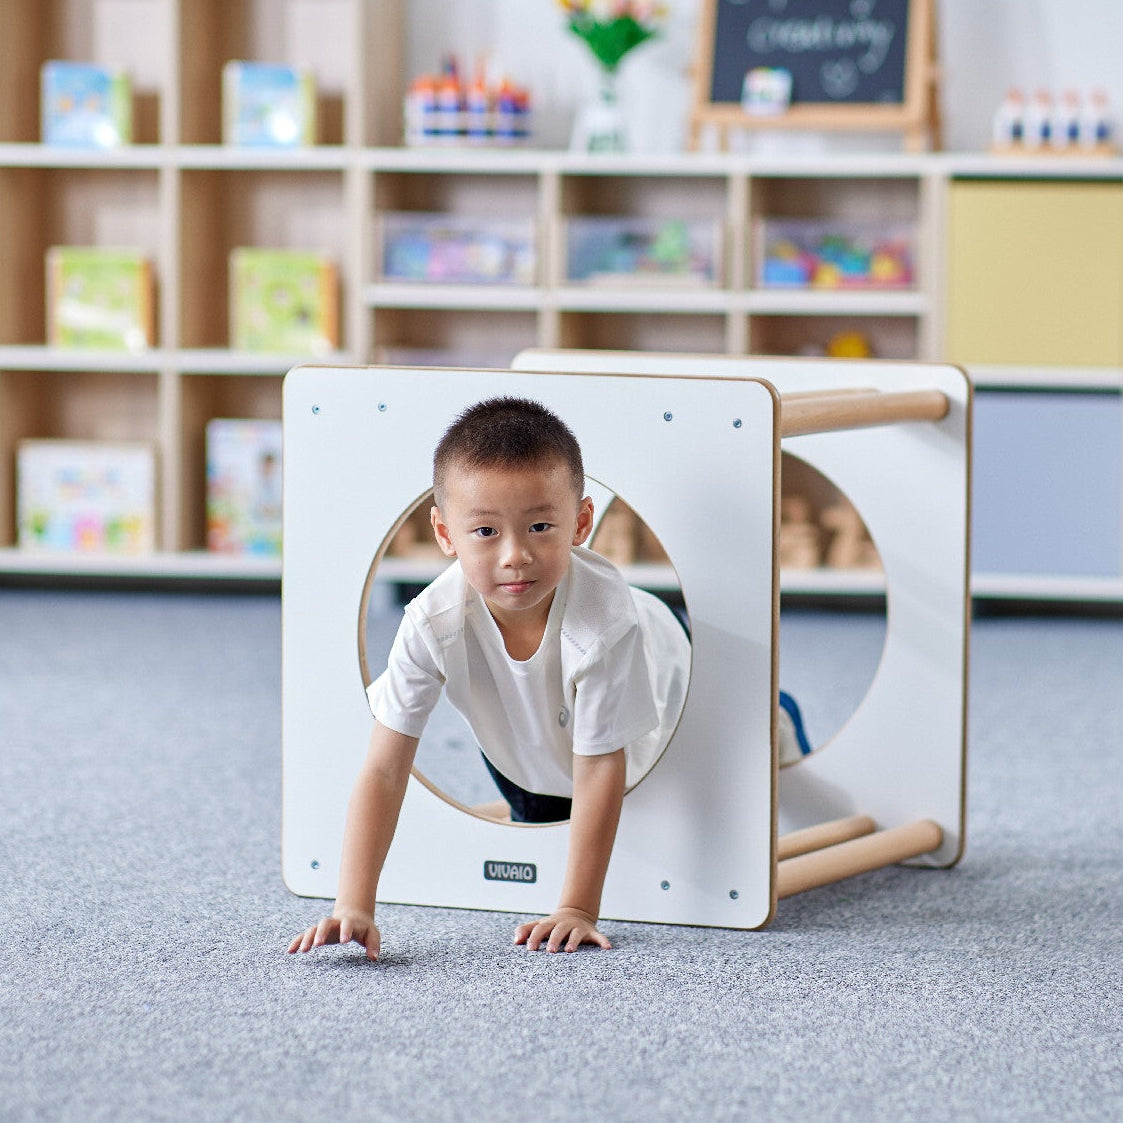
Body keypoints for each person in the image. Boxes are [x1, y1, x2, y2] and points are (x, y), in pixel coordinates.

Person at [288, 396, 691, 958]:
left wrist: (577, 907)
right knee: (543, 822)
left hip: (663, 665)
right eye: (484, 531)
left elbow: (601, 766)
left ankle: (780, 711)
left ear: (580, 523)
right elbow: (384, 765)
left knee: (693, 770)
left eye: (540, 526)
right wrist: (352, 905)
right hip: (522, 748)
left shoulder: (605, 621)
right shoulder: (432, 622)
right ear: (445, 534)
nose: (515, 556)